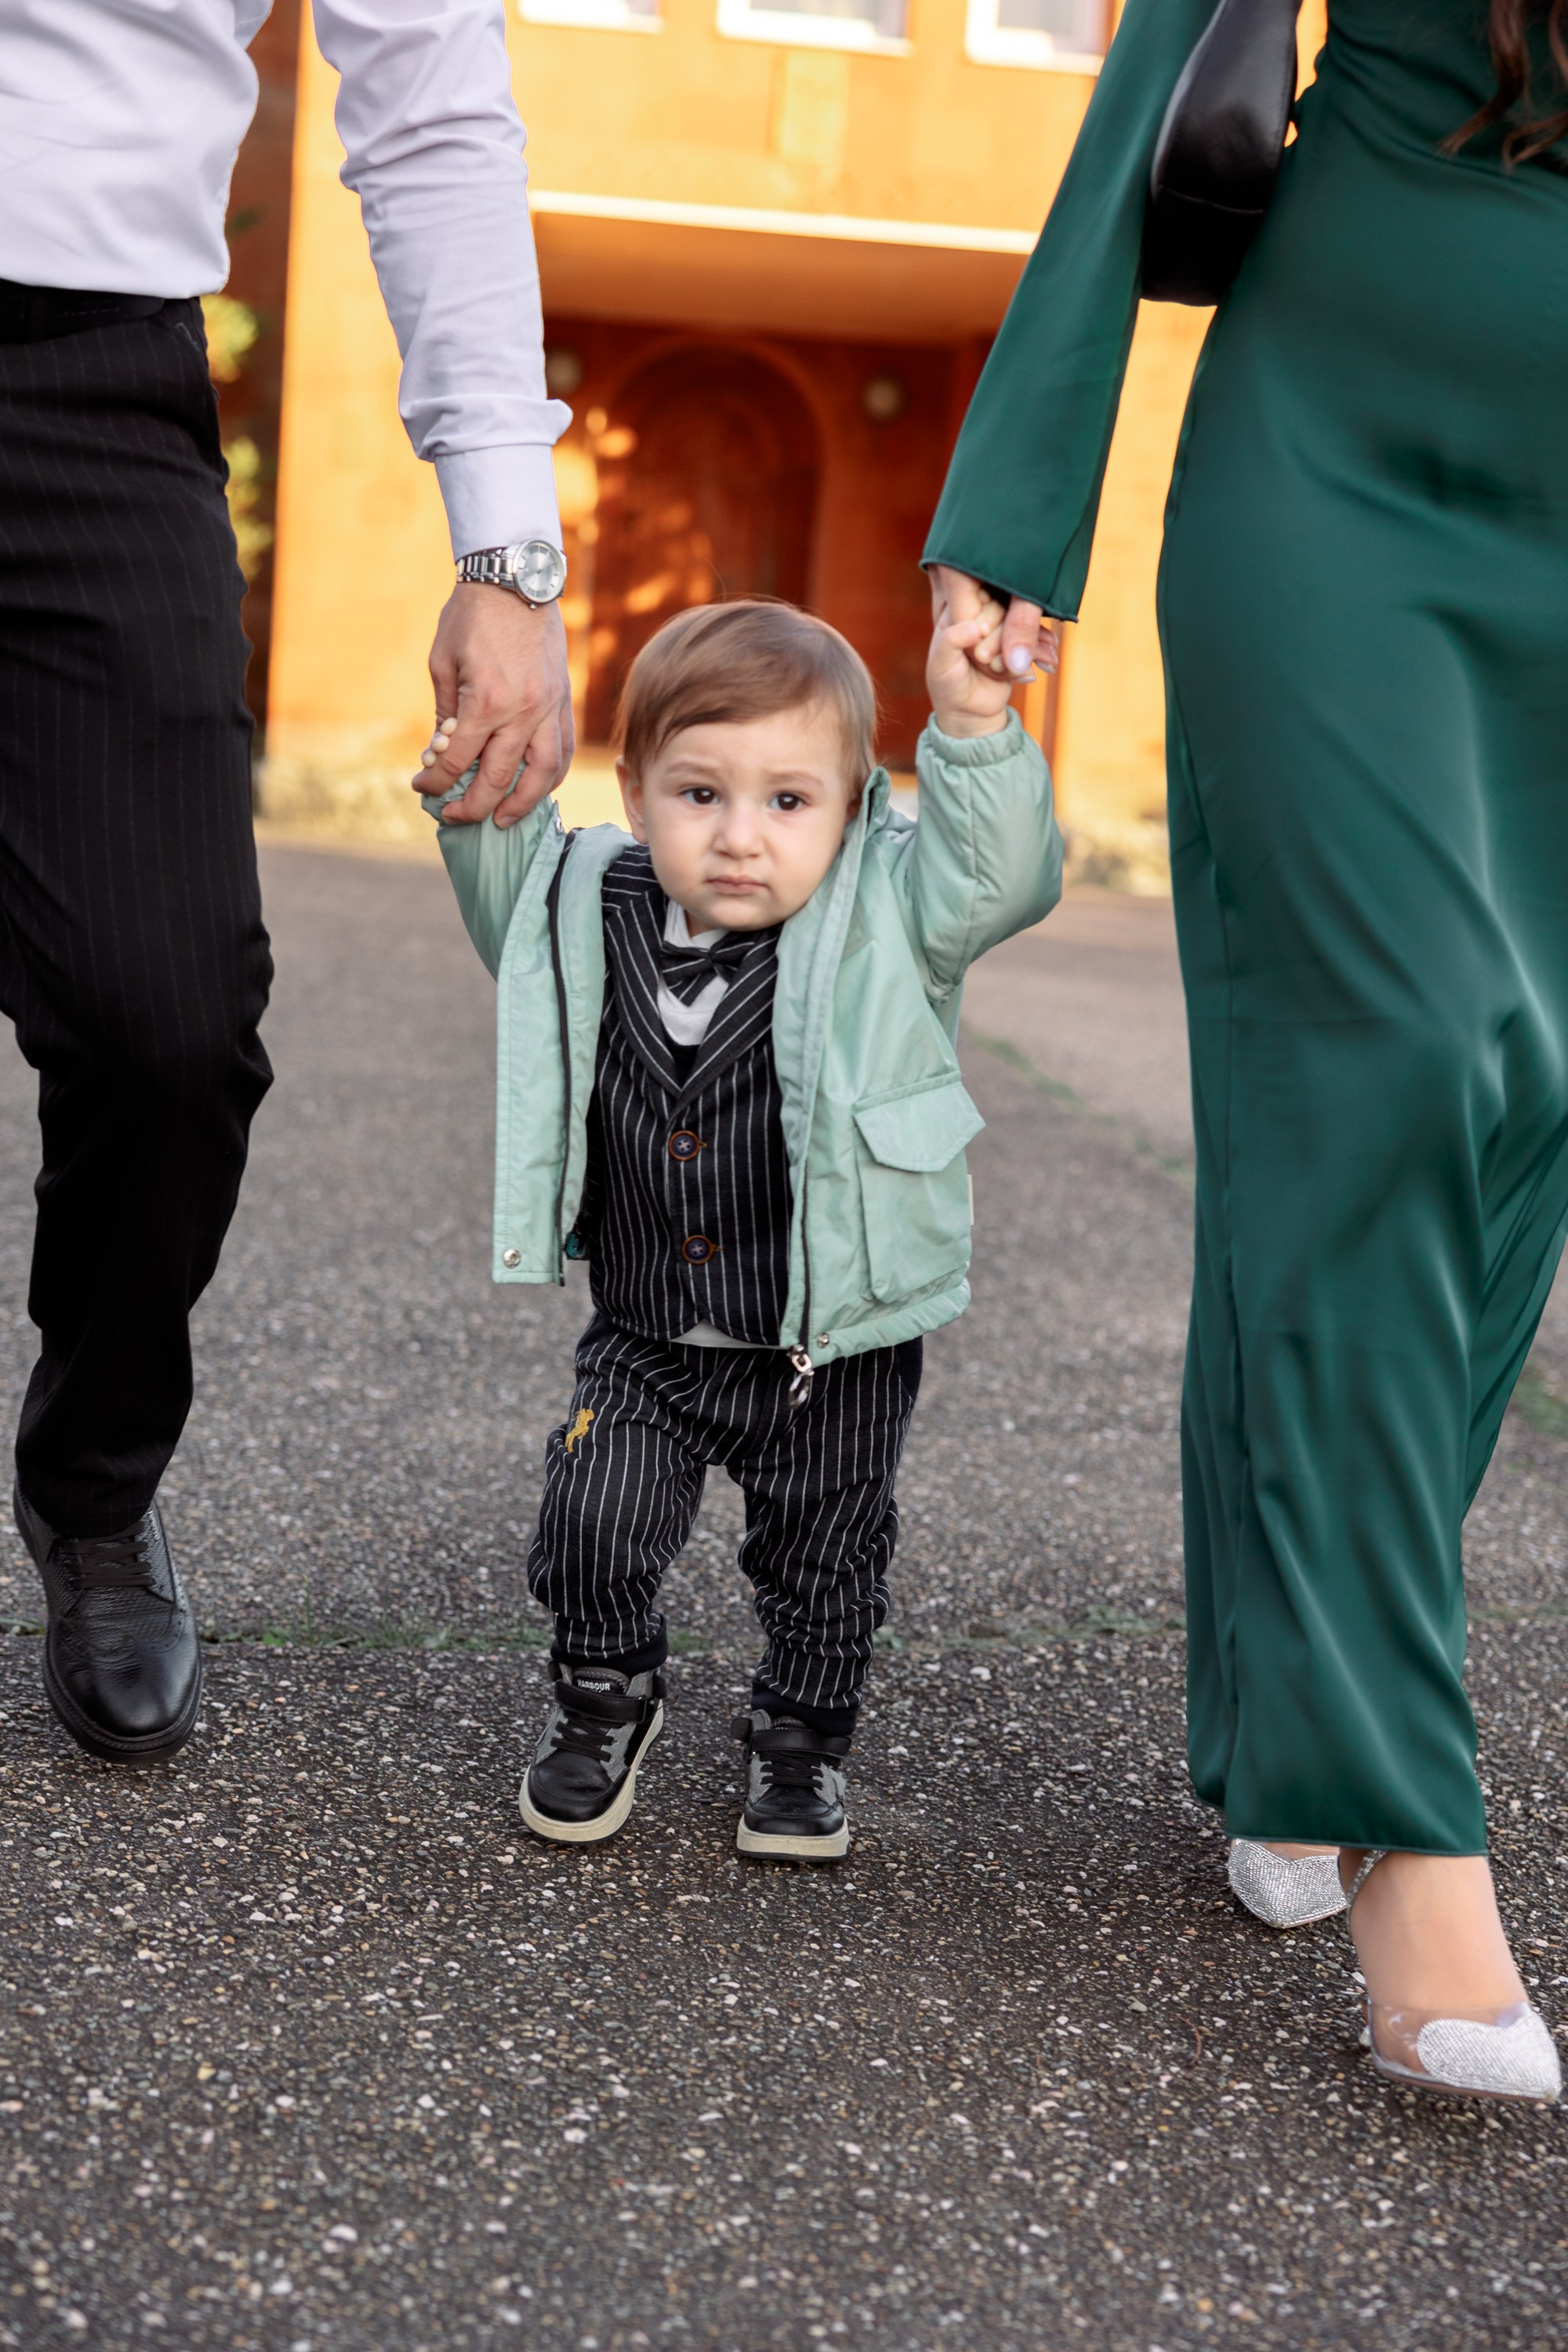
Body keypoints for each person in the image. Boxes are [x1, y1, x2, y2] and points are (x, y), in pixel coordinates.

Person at [925, 0, 1568, 2103]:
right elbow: (1160, 62)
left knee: (1513, 1115)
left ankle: (1288, 1691)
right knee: (1393, 1064)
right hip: (1338, 472)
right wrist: (1021, 498)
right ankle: (1406, 1820)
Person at [1, 0, 573, 1766]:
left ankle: (94, 1490)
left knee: (169, 1020)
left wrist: (505, 543)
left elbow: (429, 115)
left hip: (90, 373)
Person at [423, 599, 1061, 1856]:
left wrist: (976, 719)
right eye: (699, 793)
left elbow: (999, 876)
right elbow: (498, 841)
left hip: (832, 1342)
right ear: (636, 788)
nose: (738, 837)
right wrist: (482, 749)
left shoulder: (890, 914)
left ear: (854, 808)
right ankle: (606, 1698)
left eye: (788, 802)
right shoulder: (578, 906)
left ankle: (802, 1741)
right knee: (591, 1518)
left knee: (825, 1559)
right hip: (650, 1328)